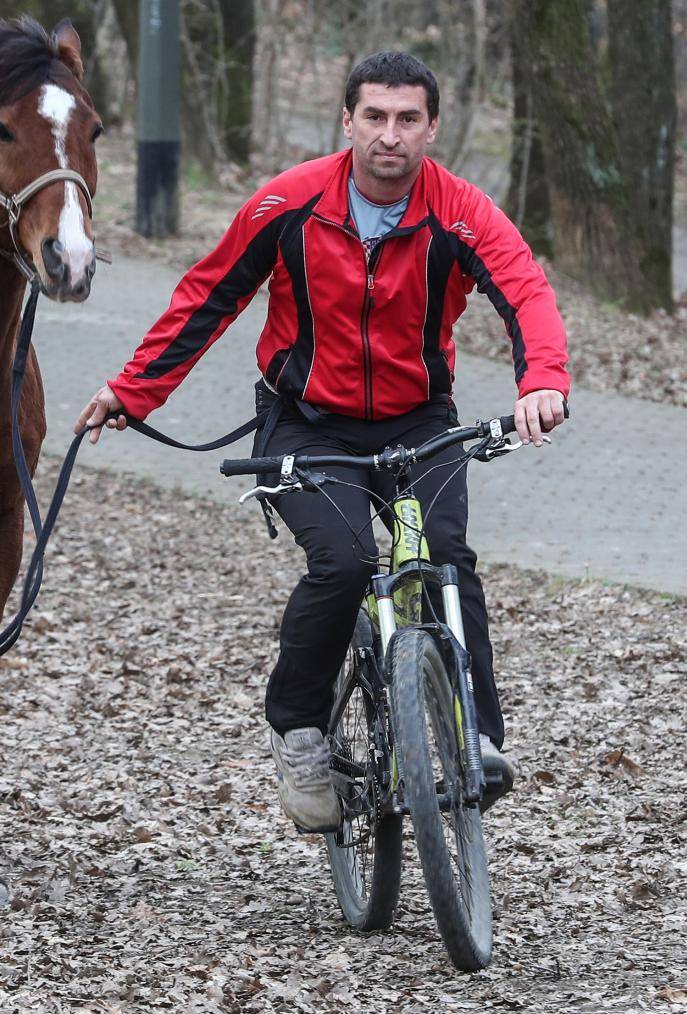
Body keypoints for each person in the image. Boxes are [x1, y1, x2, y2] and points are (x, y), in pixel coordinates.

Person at [75, 51, 569, 831]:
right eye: (374, 116)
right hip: (305, 421)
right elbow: (208, 296)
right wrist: (132, 393)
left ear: (432, 128)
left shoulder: (460, 210)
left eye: (409, 120)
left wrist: (542, 378)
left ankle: (475, 737)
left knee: (444, 554)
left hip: (418, 420)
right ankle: (302, 731)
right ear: (347, 121)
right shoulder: (290, 203)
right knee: (343, 564)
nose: (390, 136)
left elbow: (524, 289)